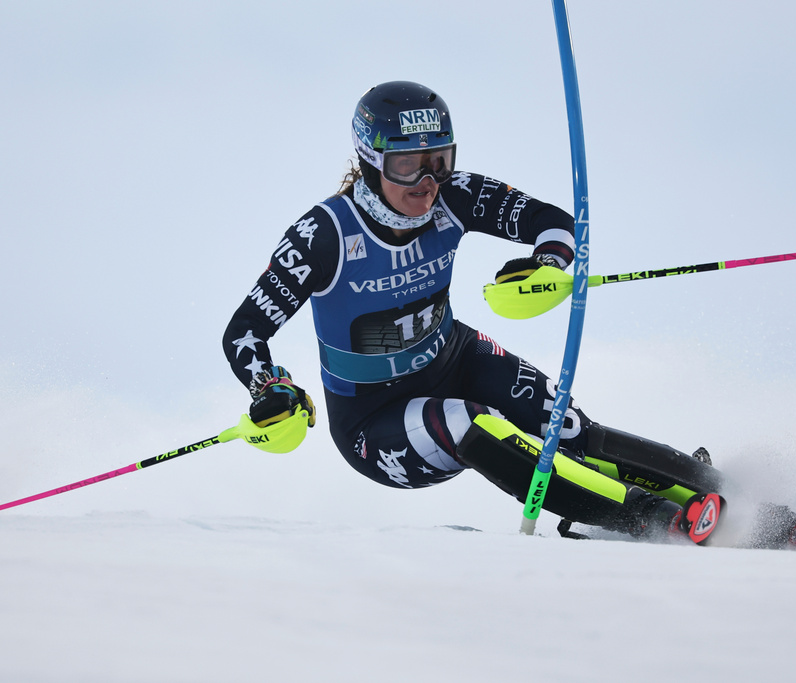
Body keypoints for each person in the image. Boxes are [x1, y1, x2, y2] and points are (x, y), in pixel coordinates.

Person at [221, 80, 743, 545]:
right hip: (373, 423)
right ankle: (649, 517)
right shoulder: (326, 234)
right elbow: (244, 333)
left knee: (568, 428)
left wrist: (547, 262)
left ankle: (724, 492)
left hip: (455, 359)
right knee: (468, 422)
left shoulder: (454, 195)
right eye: (408, 165)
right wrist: (268, 388)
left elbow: (554, 221)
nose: (427, 182)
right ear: (371, 160)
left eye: (439, 160)